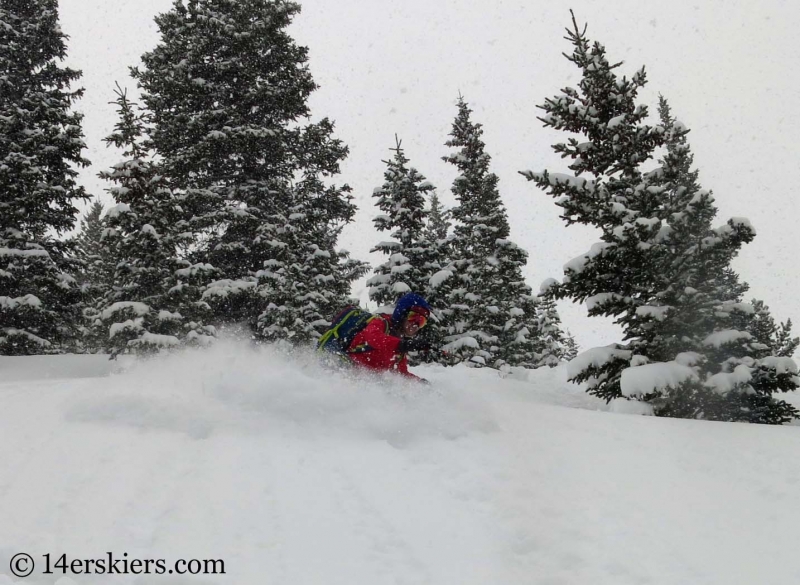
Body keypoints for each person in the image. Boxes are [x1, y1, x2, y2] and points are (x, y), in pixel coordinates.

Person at [346, 293, 433, 382]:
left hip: (366, 382)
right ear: (403, 313)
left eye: (421, 321)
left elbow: (401, 374)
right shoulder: (380, 322)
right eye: (413, 317)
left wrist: (419, 382)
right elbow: (373, 338)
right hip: (346, 372)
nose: (416, 324)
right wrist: (401, 345)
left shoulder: (399, 346)